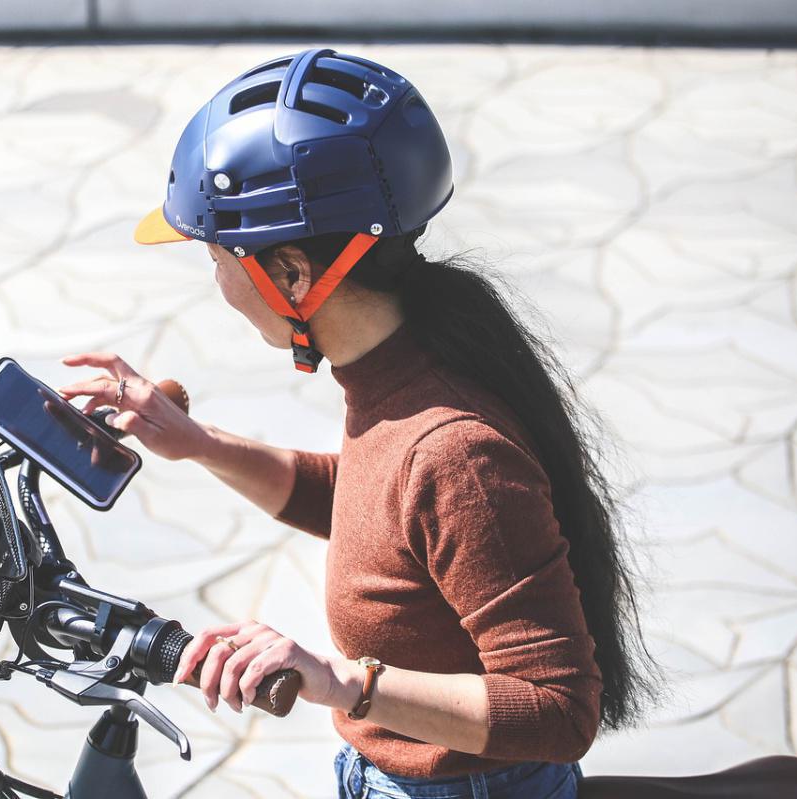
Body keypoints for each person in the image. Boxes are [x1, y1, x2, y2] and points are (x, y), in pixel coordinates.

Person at [58, 48, 666, 799]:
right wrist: (196, 443)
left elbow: (559, 709)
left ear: (291, 274)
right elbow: (375, 509)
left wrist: (339, 679)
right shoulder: (401, 364)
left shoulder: (458, 451)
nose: (215, 281)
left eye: (217, 258)